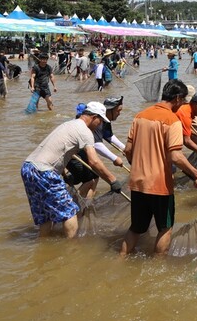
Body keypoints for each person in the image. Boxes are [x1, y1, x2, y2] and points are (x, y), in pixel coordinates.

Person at [121, 80, 197, 255]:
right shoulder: (172, 120)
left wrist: (138, 166)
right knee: (165, 228)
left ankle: (120, 258)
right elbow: (175, 156)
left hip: (137, 182)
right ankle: (157, 268)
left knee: (136, 228)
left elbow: (128, 150)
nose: (182, 105)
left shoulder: (140, 116)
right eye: (182, 101)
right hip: (159, 186)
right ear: (176, 98)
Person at [21, 102, 122, 238]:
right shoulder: (85, 132)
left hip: (28, 168)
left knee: (45, 215)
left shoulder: (68, 124)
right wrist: (112, 180)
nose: (100, 125)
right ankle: (71, 249)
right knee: (70, 212)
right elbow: (94, 161)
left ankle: (43, 244)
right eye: (100, 121)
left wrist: (64, 173)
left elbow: (59, 151)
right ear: (93, 117)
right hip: (44, 172)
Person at [65, 98, 127, 198]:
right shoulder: (97, 122)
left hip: (80, 151)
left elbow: (108, 136)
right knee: (89, 180)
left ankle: (87, 205)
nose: (119, 114)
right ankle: (74, 205)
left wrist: (123, 148)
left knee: (95, 178)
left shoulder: (104, 121)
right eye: (118, 111)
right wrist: (114, 159)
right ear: (110, 110)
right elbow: (96, 144)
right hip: (76, 153)